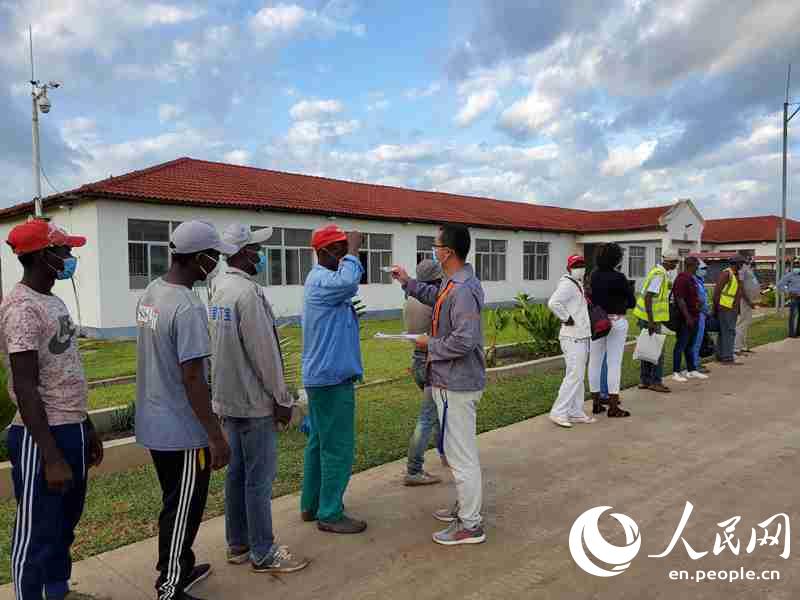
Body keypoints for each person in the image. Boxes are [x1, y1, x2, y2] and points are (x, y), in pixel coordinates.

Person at [0, 220, 106, 600]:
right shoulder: (21, 308)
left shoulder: (53, 300)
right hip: (41, 435)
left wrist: (86, 426)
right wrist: (51, 456)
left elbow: (67, 370)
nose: (70, 258)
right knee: (37, 531)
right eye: (64, 251)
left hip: (71, 426)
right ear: (44, 256)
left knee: (64, 523)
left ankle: (58, 591)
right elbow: (26, 387)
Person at [135, 221, 234, 600]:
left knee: (176, 500)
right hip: (183, 431)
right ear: (199, 258)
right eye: (216, 256)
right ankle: (170, 584)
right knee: (183, 508)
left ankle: (184, 565)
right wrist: (214, 436)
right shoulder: (188, 307)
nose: (218, 263)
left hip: (155, 421)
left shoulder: (151, 293)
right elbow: (194, 379)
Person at [208, 224, 309, 574]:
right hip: (253, 403)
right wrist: (282, 399)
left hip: (226, 399)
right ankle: (263, 551)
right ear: (242, 253)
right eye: (257, 249)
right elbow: (263, 353)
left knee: (236, 475)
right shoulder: (248, 294)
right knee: (257, 479)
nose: (261, 255)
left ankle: (237, 544)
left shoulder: (218, 287)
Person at [392, 223, 487, 546]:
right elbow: (435, 296)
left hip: (458, 383)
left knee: (461, 457)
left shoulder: (463, 290)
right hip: (449, 380)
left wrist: (427, 345)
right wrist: (408, 283)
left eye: (435, 246)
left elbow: (465, 339)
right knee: (463, 451)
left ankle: (471, 525)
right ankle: (466, 507)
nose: (433, 250)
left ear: (448, 252)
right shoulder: (452, 283)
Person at [300, 224, 367, 534]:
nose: (344, 254)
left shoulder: (324, 282)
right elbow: (350, 282)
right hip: (331, 379)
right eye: (339, 248)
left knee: (318, 443)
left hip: (323, 377)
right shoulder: (323, 281)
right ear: (322, 251)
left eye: (345, 248)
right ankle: (330, 512)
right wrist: (354, 249)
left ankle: (311, 504)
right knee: (336, 448)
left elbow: (344, 293)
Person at [403, 258, 445, 486]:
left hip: (417, 362)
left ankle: (445, 453)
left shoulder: (410, 296)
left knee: (437, 411)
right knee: (427, 417)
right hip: (432, 362)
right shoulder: (435, 299)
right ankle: (413, 470)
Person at [547, 255, 598, 426]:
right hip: (572, 337)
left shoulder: (577, 284)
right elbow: (553, 303)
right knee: (574, 376)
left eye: (583, 264)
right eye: (577, 265)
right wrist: (566, 317)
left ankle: (575, 411)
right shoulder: (567, 284)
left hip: (580, 336)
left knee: (577, 376)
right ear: (569, 268)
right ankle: (558, 412)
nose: (580, 267)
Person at [588, 243, 636, 417]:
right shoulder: (619, 277)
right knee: (613, 363)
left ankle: (596, 403)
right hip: (616, 322)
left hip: (597, 321)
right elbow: (632, 302)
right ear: (617, 259)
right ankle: (614, 406)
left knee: (594, 361)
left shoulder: (593, 275)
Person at [632, 251, 681, 393]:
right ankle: (656, 381)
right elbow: (648, 297)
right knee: (657, 351)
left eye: (676, 263)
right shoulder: (659, 275)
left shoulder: (658, 272)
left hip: (645, 317)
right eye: (673, 263)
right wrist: (652, 321)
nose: (675, 265)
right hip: (650, 318)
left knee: (647, 348)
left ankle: (645, 380)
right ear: (666, 262)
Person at [670, 257, 707, 382]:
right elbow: (680, 300)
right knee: (681, 345)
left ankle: (691, 370)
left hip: (695, 315)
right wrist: (687, 317)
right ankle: (676, 371)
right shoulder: (682, 279)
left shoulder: (692, 279)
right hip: (685, 318)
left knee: (690, 345)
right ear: (690, 265)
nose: (698, 268)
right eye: (697, 265)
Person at [713, 255, 744, 365]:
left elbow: (738, 292)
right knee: (729, 332)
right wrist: (715, 308)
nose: (742, 265)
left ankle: (721, 355)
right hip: (726, 308)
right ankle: (727, 357)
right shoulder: (727, 274)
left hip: (732, 308)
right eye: (741, 263)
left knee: (724, 332)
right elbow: (716, 292)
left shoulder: (736, 275)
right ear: (735, 263)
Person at [734, 257, 760, 356]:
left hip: (750, 300)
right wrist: (749, 301)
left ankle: (743, 346)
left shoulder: (748, 269)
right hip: (745, 300)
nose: (752, 262)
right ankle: (736, 347)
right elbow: (740, 287)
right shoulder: (742, 270)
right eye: (750, 260)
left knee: (746, 322)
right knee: (742, 322)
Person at [690, 261, 712, 374]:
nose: (705, 270)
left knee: (698, 340)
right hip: (698, 314)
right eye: (703, 268)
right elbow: (698, 300)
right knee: (696, 341)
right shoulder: (693, 281)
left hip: (702, 314)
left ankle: (696, 362)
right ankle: (695, 365)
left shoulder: (700, 281)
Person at [777, 258, 800, 337]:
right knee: (793, 316)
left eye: (798, 264)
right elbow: (780, 285)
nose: (797, 265)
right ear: (793, 265)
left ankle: (798, 332)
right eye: (796, 264)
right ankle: (791, 333)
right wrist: (788, 292)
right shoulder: (789, 275)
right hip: (794, 298)